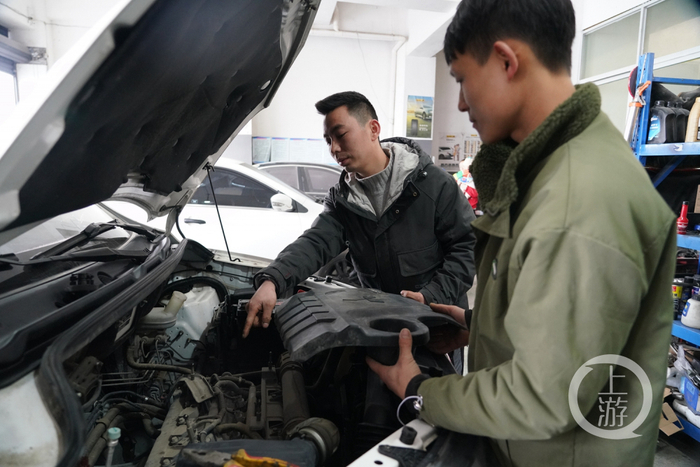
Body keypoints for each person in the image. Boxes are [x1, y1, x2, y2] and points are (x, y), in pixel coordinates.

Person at [367, 1, 675, 466]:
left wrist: (420, 390)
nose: (461, 103)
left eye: (462, 79)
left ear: (506, 61)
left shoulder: (577, 201)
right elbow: (572, 331)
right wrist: (477, 327)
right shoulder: (554, 169)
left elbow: (541, 397)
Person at [243, 92, 477, 346]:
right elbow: (315, 242)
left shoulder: (433, 185)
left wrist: (430, 296)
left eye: (341, 135)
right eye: (328, 140)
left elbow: (467, 248)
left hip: (437, 328)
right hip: (381, 326)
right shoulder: (343, 200)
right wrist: (273, 280)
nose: (334, 148)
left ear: (373, 129)